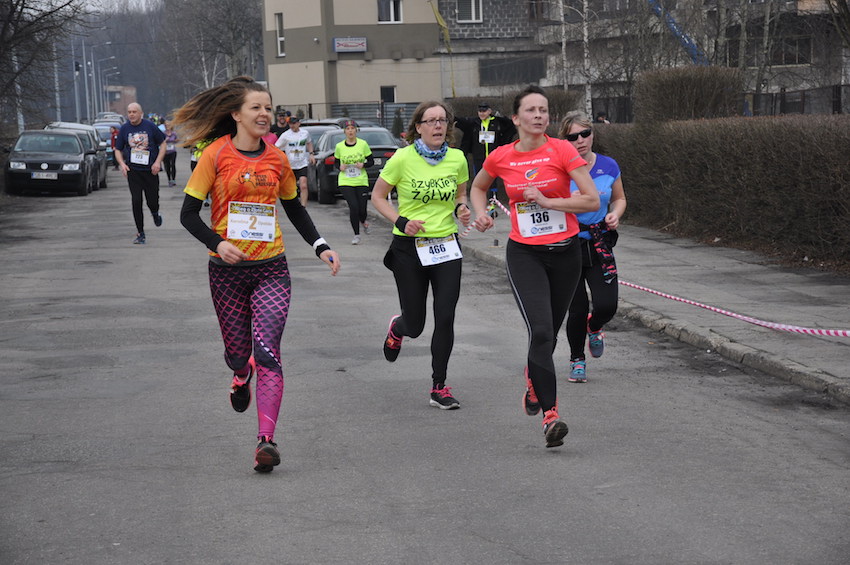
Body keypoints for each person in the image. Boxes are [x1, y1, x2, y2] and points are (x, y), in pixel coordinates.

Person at [173, 76, 341, 473]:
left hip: (271, 268)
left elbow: (294, 208)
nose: (265, 114)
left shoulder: (277, 159)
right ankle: (239, 372)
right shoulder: (215, 154)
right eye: (256, 107)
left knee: (268, 352)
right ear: (236, 114)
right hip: (227, 272)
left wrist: (320, 245)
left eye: (268, 108)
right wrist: (217, 243)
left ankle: (266, 440)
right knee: (238, 354)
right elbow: (188, 214)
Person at [470, 85, 599, 448]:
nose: (540, 115)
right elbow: (479, 188)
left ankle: (533, 378)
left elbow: (590, 200)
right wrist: (481, 213)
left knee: (549, 334)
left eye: (544, 110)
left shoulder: (562, 150)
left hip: (566, 254)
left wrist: (548, 201)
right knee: (541, 331)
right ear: (516, 118)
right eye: (531, 110)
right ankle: (551, 416)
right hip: (525, 255)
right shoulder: (501, 156)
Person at [371, 101, 471, 410]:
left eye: (443, 120)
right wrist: (401, 221)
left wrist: (462, 209)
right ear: (419, 127)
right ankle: (398, 328)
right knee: (415, 325)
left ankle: (439, 386)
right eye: (431, 121)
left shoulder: (457, 158)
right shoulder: (402, 158)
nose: (438, 125)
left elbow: (460, 194)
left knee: (446, 315)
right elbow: (378, 196)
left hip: (446, 245)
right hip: (409, 248)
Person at [559, 112, 626, 383]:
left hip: (600, 243)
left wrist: (615, 214)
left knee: (607, 305)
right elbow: (543, 202)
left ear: (592, 135)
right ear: (564, 140)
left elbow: (619, 198)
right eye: (572, 136)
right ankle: (577, 360)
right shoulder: (559, 169)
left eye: (585, 134)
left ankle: (595, 325)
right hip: (569, 244)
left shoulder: (608, 165)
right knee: (576, 308)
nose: (580, 140)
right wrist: (567, 199)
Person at [114, 102, 167, 245]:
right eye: (129, 112)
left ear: (140, 113)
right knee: (136, 201)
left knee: (152, 200)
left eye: (134, 112)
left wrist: (158, 162)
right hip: (133, 171)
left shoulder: (150, 126)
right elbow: (118, 149)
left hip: (150, 171)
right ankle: (140, 233)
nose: (131, 114)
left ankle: (155, 213)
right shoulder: (124, 129)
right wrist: (122, 164)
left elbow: (163, 144)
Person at [454, 101, 516, 184]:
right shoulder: (474, 123)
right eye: (480, 111)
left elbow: (511, 126)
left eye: (484, 111)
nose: (482, 114)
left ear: (489, 111)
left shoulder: (497, 122)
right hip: (479, 157)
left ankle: (493, 192)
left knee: (493, 180)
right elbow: (460, 122)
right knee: (479, 179)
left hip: (493, 157)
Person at [334, 120, 373, 244]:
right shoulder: (339, 146)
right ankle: (356, 235)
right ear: (344, 131)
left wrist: (363, 164)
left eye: (352, 128)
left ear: (356, 130)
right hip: (345, 181)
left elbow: (371, 161)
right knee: (353, 207)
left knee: (362, 210)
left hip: (361, 180)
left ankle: (363, 221)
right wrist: (340, 167)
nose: (350, 131)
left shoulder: (363, 144)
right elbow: (336, 163)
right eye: (348, 129)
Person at [275, 116, 315, 207]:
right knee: (291, 188)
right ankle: (294, 205)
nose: (292, 126)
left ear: (298, 123)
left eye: (294, 123)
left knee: (303, 185)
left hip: (302, 163)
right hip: (290, 165)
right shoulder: (285, 135)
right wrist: (280, 158)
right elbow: (276, 147)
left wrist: (311, 154)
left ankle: (303, 207)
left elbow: (309, 142)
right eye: (290, 124)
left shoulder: (305, 133)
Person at [163, 120, 178, 187]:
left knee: (173, 164)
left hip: (172, 151)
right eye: (166, 125)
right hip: (165, 152)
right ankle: (169, 179)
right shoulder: (163, 133)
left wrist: (174, 141)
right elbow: (160, 141)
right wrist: (165, 140)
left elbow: (177, 140)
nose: (167, 126)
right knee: (167, 166)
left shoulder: (174, 133)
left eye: (168, 125)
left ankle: (173, 179)